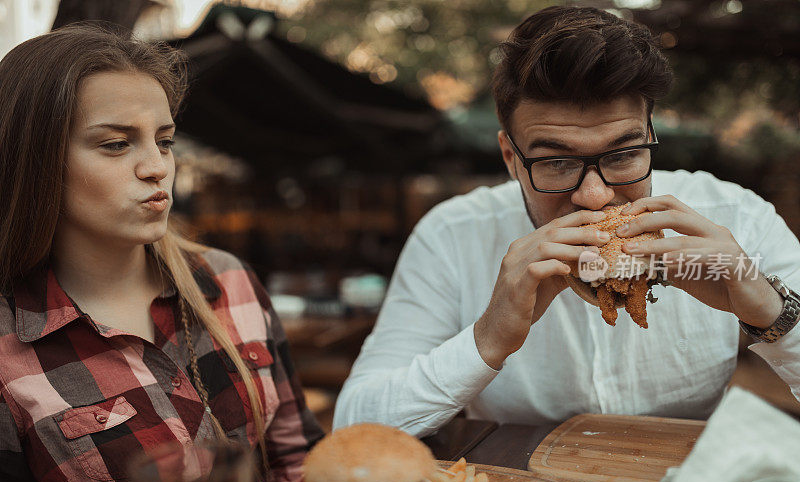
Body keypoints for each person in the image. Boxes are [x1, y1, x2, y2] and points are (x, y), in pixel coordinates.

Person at [334, 6, 800, 437]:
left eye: (623, 154)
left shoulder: (736, 216)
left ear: (650, 138)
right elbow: (354, 425)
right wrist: (485, 340)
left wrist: (770, 310)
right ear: (510, 158)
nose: (595, 197)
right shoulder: (451, 236)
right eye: (556, 163)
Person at [0, 24, 323, 482]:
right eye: (114, 144)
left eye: (165, 141)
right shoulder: (7, 347)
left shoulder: (227, 278)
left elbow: (295, 459)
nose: (157, 167)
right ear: (35, 162)